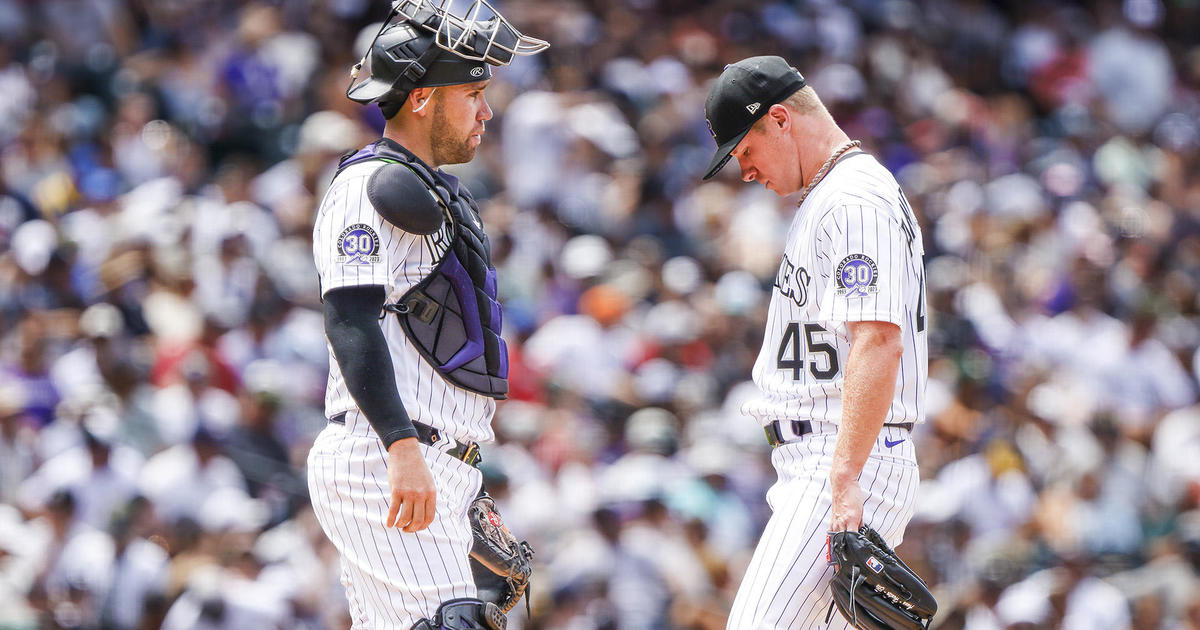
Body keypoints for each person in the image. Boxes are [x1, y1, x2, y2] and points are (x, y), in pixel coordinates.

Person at [306, 1, 546, 628]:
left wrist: (459, 472)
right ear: (420, 99)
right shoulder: (367, 187)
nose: (486, 110)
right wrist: (402, 447)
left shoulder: (432, 187)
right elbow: (350, 320)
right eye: (473, 92)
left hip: (434, 456)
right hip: (383, 453)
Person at [701, 56, 928, 629]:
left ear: (780, 119)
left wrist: (845, 478)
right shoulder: (833, 195)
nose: (745, 172)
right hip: (828, 455)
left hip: (843, 455)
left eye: (745, 151)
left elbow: (878, 340)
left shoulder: (852, 200)